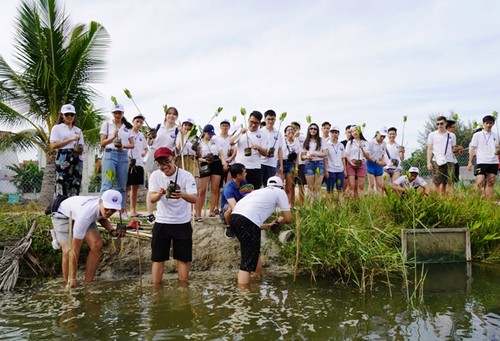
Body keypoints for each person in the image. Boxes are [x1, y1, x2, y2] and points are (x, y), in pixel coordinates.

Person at [51, 189, 125, 287]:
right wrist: (73, 277)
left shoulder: (101, 208)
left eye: (113, 209)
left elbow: (102, 217)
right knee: (68, 250)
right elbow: (75, 250)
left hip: (79, 211)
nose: (109, 212)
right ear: (100, 202)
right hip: (63, 214)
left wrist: (111, 230)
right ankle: (68, 283)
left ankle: (88, 283)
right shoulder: (85, 216)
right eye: (107, 208)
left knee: (97, 244)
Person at [230, 176, 292, 285]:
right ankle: (243, 294)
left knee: (253, 251)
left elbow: (248, 217)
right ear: (281, 187)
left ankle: (257, 276)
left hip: (234, 218)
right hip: (247, 221)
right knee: (247, 262)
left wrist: (267, 226)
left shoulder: (258, 192)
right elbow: (288, 219)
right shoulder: (279, 192)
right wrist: (279, 220)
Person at [148, 147, 198, 284]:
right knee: (158, 258)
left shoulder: (186, 175)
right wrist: (159, 194)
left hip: (182, 222)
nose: (164, 167)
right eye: (160, 164)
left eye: (166, 162)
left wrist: (182, 194)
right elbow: (151, 199)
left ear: (173, 158)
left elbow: (194, 199)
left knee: (183, 258)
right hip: (162, 222)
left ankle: (183, 291)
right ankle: (156, 291)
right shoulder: (155, 176)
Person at [145, 106, 180, 223]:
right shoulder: (158, 127)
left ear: (176, 117)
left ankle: (164, 212)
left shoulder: (176, 131)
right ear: (166, 115)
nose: (171, 116)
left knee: (165, 185)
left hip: (166, 158)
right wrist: (149, 138)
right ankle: (150, 213)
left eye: (174, 114)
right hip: (154, 155)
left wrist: (181, 133)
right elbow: (149, 142)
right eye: (169, 114)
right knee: (152, 186)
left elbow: (179, 148)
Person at [99, 103, 134, 216]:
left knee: (121, 185)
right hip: (110, 154)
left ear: (123, 113)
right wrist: (113, 137)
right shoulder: (107, 124)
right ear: (112, 114)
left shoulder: (127, 127)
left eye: (119, 113)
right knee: (107, 183)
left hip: (123, 155)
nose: (117, 115)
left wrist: (123, 146)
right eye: (115, 113)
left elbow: (132, 144)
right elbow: (102, 143)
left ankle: (122, 211)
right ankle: (102, 210)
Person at [195, 124, 228, 221]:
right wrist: (205, 161)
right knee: (202, 190)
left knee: (215, 188)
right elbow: (197, 157)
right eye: (208, 134)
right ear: (204, 132)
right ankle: (198, 211)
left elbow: (221, 153)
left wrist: (224, 163)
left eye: (211, 134)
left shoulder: (215, 140)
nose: (210, 136)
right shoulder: (198, 142)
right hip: (204, 162)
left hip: (216, 163)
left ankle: (212, 210)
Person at [50, 104, 84, 197]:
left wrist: (79, 149)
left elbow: (82, 146)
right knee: (62, 181)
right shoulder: (57, 128)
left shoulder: (78, 130)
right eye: (67, 114)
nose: (69, 117)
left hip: (76, 156)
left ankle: (73, 206)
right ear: (62, 115)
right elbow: (54, 145)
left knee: (75, 182)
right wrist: (70, 139)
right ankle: (60, 205)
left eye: (72, 115)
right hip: (63, 155)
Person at [230, 110, 268, 190]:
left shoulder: (262, 134)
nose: (253, 125)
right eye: (252, 122)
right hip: (241, 168)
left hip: (255, 168)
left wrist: (258, 148)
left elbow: (265, 153)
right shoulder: (241, 130)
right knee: (239, 192)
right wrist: (240, 133)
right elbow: (231, 142)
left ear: (260, 123)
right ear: (248, 120)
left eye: (256, 123)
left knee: (254, 192)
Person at [467, 115, 500, 198]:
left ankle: (488, 202)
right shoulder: (477, 135)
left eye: (491, 123)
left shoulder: (496, 135)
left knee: (491, 182)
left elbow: (497, 147)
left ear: (493, 124)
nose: (489, 125)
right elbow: (472, 148)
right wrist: (470, 162)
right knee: (480, 181)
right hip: (481, 161)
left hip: (493, 161)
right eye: (487, 123)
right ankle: (476, 200)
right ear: (483, 124)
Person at [426, 115, 457, 195]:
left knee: (450, 182)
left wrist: (458, 150)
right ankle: (436, 200)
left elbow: (453, 149)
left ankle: (450, 200)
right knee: (437, 182)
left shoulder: (452, 135)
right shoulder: (432, 135)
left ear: (446, 123)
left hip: (449, 160)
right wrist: (428, 162)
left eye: (441, 123)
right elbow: (429, 149)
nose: (439, 125)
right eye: (438, 124)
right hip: (437, 160)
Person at [220, 163, 250, 239]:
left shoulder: (243, 182)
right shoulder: (228, 188)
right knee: (230, 208)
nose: (246, 174)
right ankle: (229, 226)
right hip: (230, 210)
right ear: (238, 176)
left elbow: (246, 196)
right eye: (244, 172)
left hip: (240, 206)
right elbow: (234, 207)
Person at [126, 114, 148, 218]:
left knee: (135, 188)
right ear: (133, 121)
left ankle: (133, 210)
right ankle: (123, 210)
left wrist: (144, 152)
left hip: (139, 163)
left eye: (141, 122)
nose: (139, 124)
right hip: (128, 162)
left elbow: (145, 148)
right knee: (126, 187)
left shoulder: (141, 135)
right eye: (137, 121)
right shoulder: (127, 132)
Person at [301, 123, 328, 198]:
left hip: (319, 163)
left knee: (318, 187)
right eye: (311, 128)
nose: (313, 130)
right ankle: (310, 206)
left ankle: (317, 206)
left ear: (317, 130)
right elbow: (302, 156)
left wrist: (316, 154)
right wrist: (307, 157)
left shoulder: (322, 140)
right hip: (309, 164)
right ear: (308, 130)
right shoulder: (305, 141)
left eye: (315, 129)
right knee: (310, 187)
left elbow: (325, 153)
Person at [345, 125, 370, 198]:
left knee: (361, 185)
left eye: (355, 130)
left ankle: (361, 203)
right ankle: (350, 202)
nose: (354, 132)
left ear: (359, 131)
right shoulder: (350, 142)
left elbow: (367, 156)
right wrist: (351, 162)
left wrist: (362, 148)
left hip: (361, 163)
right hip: (351, 163)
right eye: (352, 131)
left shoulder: (365, 142)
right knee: (351, 186)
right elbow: (346, 154)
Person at [261, 110, 284, 186]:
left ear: (275, 120)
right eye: (268, 119)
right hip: (260, 163)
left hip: (272, 164)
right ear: (265, 119)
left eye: (272, 119)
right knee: (258, 186)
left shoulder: (278, 133)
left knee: (269, 186)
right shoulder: (260, 131)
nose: (270, 121)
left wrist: (281, 165)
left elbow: (280, 149)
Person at [325, 126, 345, 202]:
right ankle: (329, 207)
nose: (334, 134)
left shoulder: (341, 145)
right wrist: (326, 170)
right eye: (332, 132)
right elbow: (325, 159)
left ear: (338, 134)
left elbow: (343, 158)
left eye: (336, 133)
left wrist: (344, 170)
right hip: (331, 170)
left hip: (340, 170)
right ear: (330, 133)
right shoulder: (327, 144)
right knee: (330, 189)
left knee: (340, 189)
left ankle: (342, 206)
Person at [282, 125, 301, 208]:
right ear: (285, 133)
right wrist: (280, 165)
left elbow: (297, 157)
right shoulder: (282, 141)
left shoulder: (296, 143)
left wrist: (296, 168)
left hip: (291, 164)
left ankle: (289, 206)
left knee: (289, 187)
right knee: (279, 185)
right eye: (288, 130)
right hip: (281, 163)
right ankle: (281, 205)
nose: (291, 131)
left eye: (292, 130)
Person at [366, 127, 388, 193]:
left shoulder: (384, 144)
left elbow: (382, 155)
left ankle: (379, 201)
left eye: (384, 136)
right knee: (372, 184)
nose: (382, 138)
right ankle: (368, 200)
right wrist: (375, 161)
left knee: (379, 185)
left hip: (379, 165)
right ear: (378, 133)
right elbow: (367, 155)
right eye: (381, 136)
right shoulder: (371, 142)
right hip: (370, 164)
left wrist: (383, 162)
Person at [291, 121, 306, 205]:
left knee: (301, 184)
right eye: (293, 128)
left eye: (296, 128)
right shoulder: (288, 138)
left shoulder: (303, 138)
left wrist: (296, 138)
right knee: (291, 185)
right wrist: (293, 137)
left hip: (301, 164)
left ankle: (302, 204)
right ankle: (291, 205)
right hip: (291, 164)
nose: (294, 129)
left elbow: (302, 150)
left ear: (299, 129)